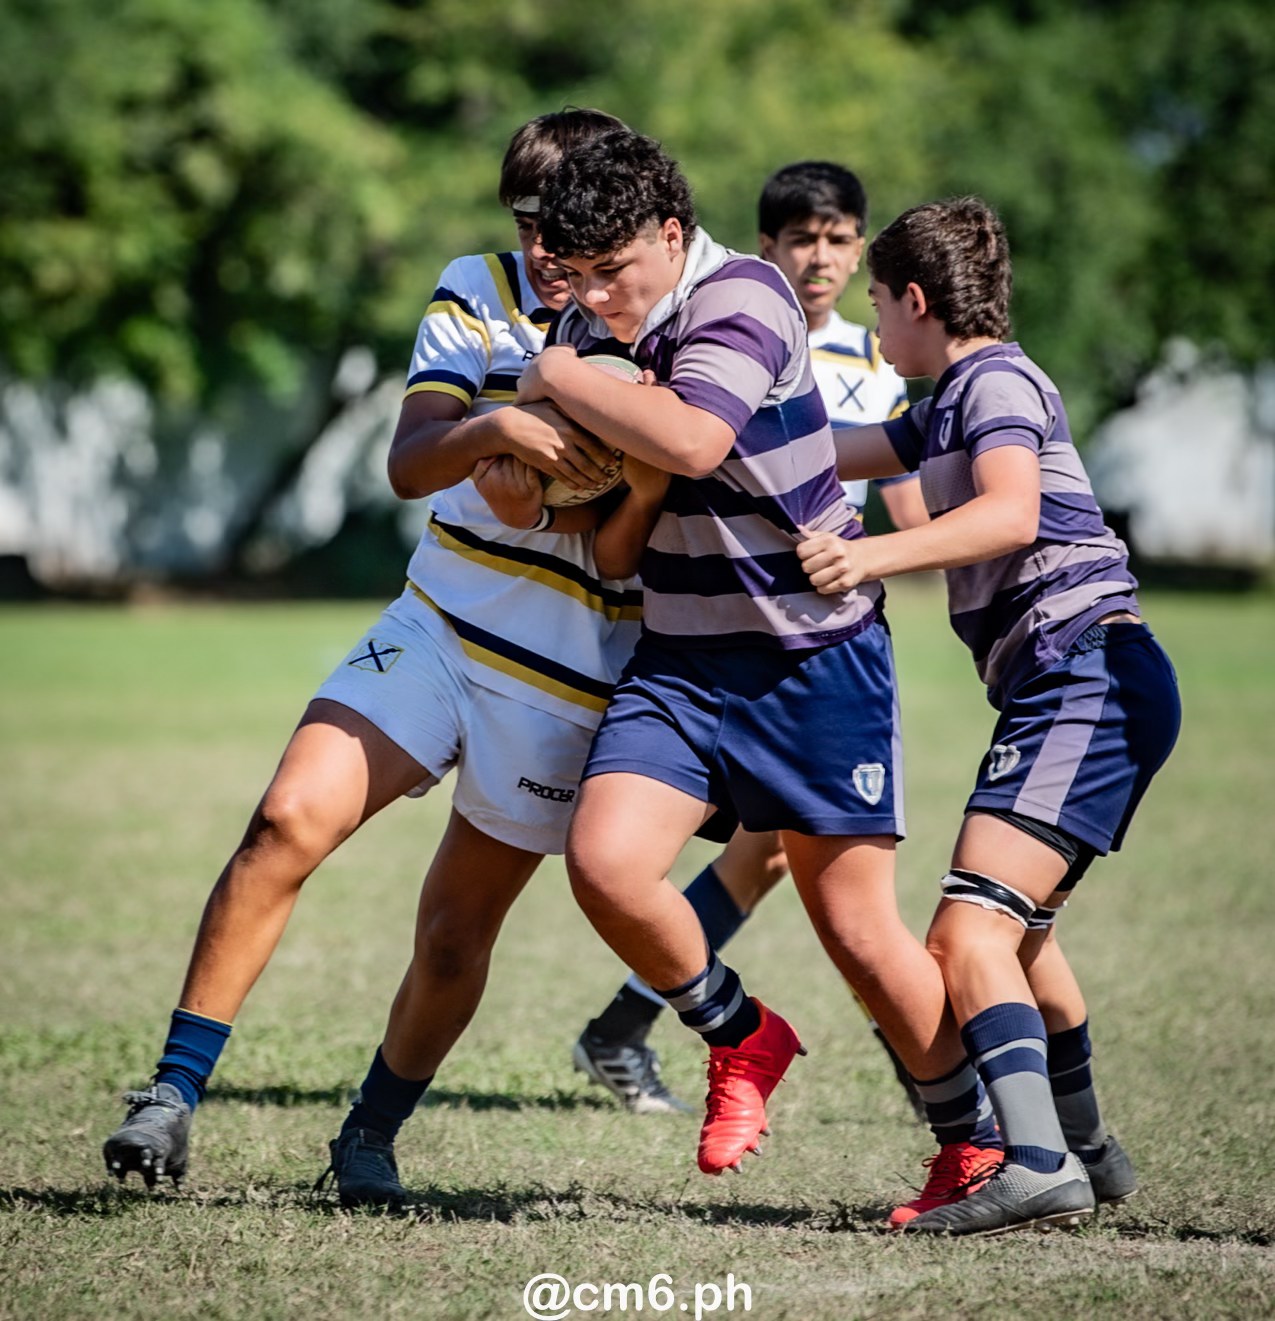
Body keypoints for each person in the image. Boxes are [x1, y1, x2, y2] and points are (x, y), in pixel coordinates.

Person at [100, 108, 701, 1205]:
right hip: (439, 624)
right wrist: (496, 432)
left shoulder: (664, 321)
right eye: (526, 221)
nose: (541, 248)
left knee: (454, 933)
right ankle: (172, 1094)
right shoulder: (476, 286)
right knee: (285, 819)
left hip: (564, 675)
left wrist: (575, 492)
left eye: (563, 228)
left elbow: (657, 504)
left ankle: (369, 1136)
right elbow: (412, 460)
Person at [526, 127, 976, 1179]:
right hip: (681, 657)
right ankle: (742, 1035)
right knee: (603, 864)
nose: (593, 297)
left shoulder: (748, 297)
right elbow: (595, 499)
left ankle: (981, 1142)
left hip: (810, 656)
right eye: (577, 277)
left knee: (860, 935)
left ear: (674, 235)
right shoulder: (595, 316)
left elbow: (690, 440)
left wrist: (552, 371)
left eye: (613, 272)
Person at [798, 196, 1181, 1233]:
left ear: (918, 300)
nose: (875, 328)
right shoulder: (949, 401)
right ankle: (1091, 1153)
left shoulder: (995, 381)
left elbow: (1009, 512)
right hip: (1092, 679)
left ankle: (1034, 1162)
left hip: (1085, 673)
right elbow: (830, 451)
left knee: (966, 931)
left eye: (878, 304)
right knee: (1018, 935)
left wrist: (868, 555)